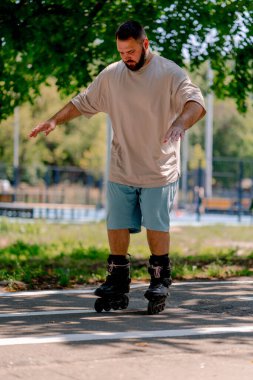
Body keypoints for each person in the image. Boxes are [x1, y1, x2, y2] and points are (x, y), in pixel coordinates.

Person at [30, 20, 206, 313]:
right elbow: (83, 102)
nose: (127, 57)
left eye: (132, 51)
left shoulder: (169, 73)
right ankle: (117, 280)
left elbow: (195, 103)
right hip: (122, 165)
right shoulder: (112, 75)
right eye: (122, 52)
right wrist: (54, 120)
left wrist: (179, 123)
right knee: (116, 224)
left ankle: (160, 279)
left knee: (156, 224)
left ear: (145, 44)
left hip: (158, 166)